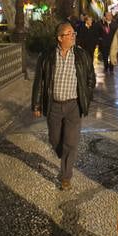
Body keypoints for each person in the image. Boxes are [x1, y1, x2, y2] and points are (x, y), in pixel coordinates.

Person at [31, 21, 95, 190]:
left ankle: (65, 177)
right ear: (60, 38)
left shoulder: (82, 55)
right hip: (54, 106)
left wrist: (86, 97)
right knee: (54, 139)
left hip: (74, 105)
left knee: (71, 143)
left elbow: (90, 78)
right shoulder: (47, 57)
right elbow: (40, 81)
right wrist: (37, 104)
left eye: (74, 33)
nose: (73, 36)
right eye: (69, 33)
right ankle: (64, 154)